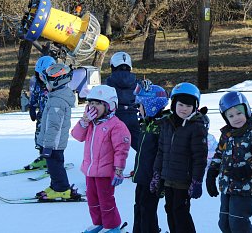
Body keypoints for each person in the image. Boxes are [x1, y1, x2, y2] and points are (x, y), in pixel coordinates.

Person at [206, 91, 252, 233]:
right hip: (226, 186)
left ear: (246, 110)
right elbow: (219, 154)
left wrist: (248, 169)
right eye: (231, 115)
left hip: (244, 188)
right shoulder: (226, 135)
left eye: (239, 113)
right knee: (224, 224)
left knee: (238, 224)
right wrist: (212, 173)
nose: (236, 118)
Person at [71, 85, 131, 233]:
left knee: (106, 201)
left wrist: (119, 170)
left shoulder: (116, 125)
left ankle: (112, 226)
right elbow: (77, 136)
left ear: (109, 106)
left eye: (97, 104)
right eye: (91, 103)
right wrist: (84, 121)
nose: (93, 107)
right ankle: (99, 223)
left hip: (106, 172)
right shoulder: (90, 123)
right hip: (90, 170)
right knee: (92, 200)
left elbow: (121, 149)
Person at [150, 82, 208, 233]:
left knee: (180, 211)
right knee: (169, 209)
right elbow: (161, 151)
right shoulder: (167, 124)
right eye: (181, 104)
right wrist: (157, 174)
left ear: (195, 107)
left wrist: (197, 181)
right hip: (168, 178)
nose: (184, 109)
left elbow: (199, 158)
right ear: (174, 103)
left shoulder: (196, 127)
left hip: (184, 180)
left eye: (189, 106)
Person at [35, 63, 80, 200]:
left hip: (53, 144)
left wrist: (48, 146)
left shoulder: (57, 102)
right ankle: (55, 185)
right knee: (54, 166)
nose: (45, 84)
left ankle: (61, 189)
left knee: (55, 167)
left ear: (56, 82)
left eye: (46, 81)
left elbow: (54, 126)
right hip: (53, 142)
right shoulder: (56, 97)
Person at [132, 83, 169, 233]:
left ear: (150, 105)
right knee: (139, 206)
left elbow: (164, 154)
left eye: (140, 105)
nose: (138, 109)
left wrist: (160, 178)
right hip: (142, 176)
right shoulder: (146, 124)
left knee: (147, 209)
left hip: (152, 178)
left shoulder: (162, 127)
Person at [24, 56, 55, 170]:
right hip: (42, 113)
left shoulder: (57, 82)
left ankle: (53, 160)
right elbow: (34, 95)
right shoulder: (35, 81)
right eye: (39, 74)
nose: (40, 77)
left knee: (52, 137)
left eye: (42, 74)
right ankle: (43, 158)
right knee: (39, 135)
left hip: (54, 114)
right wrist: (32, 107)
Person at [106, 51, 140, 152]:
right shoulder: (136, 81)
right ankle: (145, 166)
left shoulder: (109, 81)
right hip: (133, 115)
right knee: (141, 146)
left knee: (111, 148)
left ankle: (111, 167)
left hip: (115, 116)